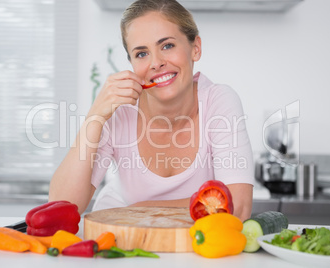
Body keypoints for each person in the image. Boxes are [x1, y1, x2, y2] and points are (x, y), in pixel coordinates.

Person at [49, 0, 254, 221]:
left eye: (167, 46)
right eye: (141, 54)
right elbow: (59, 210)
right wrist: (95, 116)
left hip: (142, 226)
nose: (156, 63)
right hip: (119, 238)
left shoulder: (218, 101)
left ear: (195, 48)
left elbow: (237, 207)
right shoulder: (120, 112)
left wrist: (138, 209)